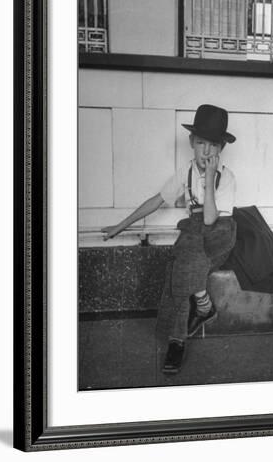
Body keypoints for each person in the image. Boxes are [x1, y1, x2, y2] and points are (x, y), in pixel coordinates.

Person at [101, 104, 237, 375]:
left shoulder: (227, 177)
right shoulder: (184, 173)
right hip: (195, 238)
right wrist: (121, 226)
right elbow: (156, 200)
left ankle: (196, 315)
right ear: (191, 143)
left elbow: (210, 219)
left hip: (220, 234)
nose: (206, 152)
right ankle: (185, 330)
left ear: (221, 147)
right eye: (201, 144)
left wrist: (209, 179)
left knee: (189, 249)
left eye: (213, 145)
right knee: (180, 265)